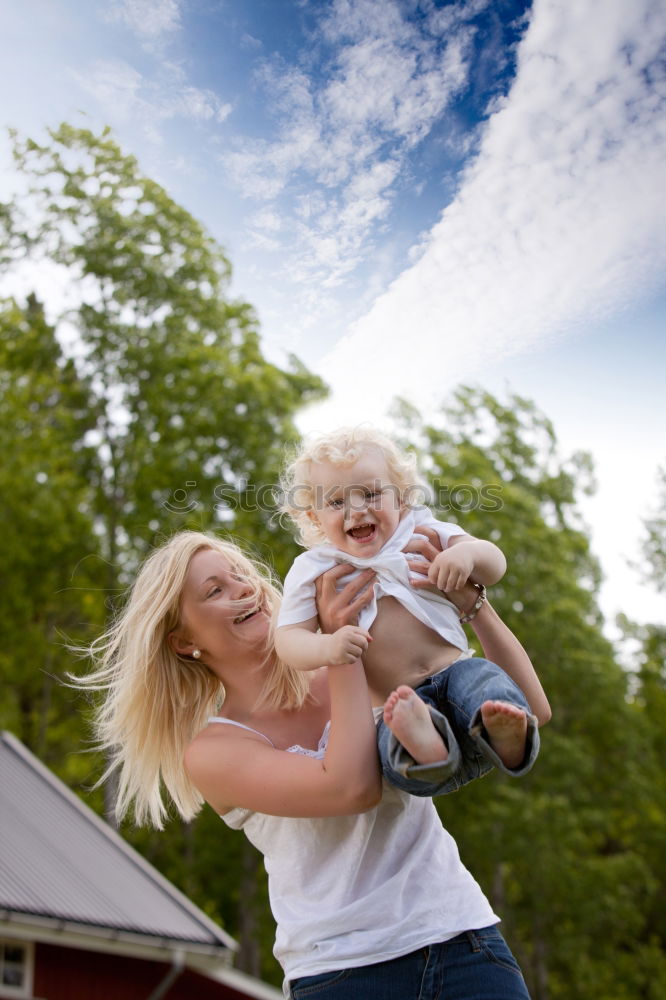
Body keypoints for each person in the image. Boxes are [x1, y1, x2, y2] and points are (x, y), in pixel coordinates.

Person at [81, 528, 538, 999]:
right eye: (215, 590)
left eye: (239, 575)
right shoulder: (214, 752)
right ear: (182, 642)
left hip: (462, 938)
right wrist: (340, 648)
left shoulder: (350, 662)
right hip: (343, 974)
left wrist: (474, 606)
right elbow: (351, 788)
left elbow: (528, 708)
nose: (243, 588)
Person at [276, 426, 550, 796]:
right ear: (314, 518)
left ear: (402, 499)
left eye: (371, 494)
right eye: (337, 503)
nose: (356, 510)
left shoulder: (422, 531)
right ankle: (425, 748)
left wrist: (465, 555)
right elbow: (289, 640)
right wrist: (328, 647)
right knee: (391, 735)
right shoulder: (315, 568)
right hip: (400, 698)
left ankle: (505, 736)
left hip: (456, 676)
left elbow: (494, 562)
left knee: (484, 679)